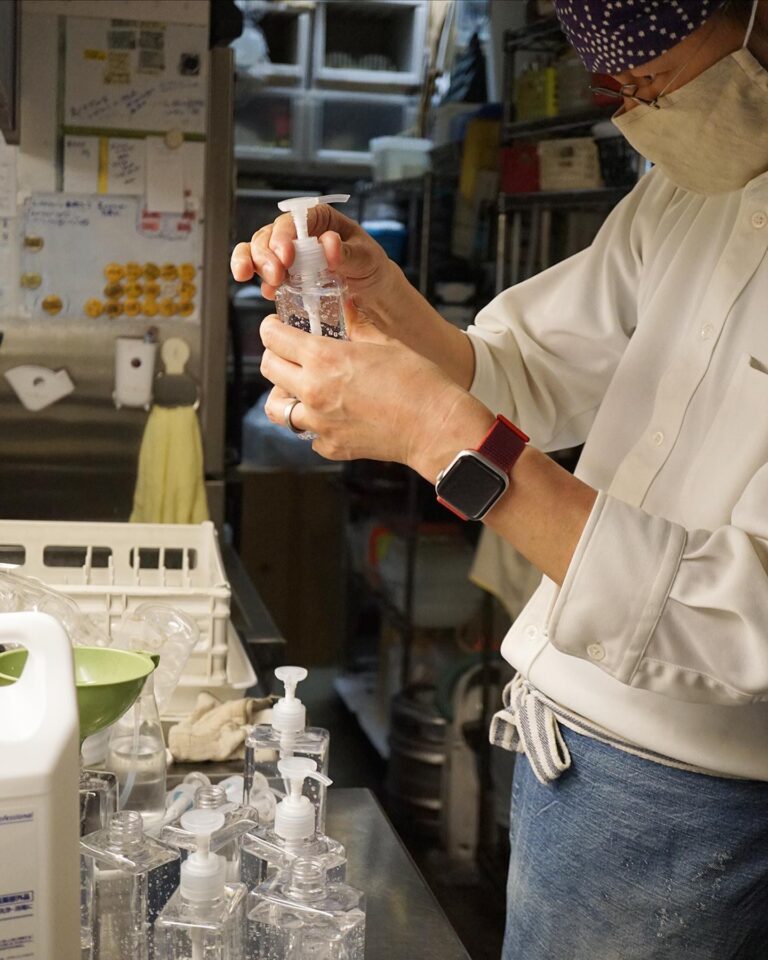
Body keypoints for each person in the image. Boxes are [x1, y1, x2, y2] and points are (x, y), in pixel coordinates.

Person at [231, 0, 768, 955]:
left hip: (700, 798)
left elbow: (745, 622)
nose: (635, 107)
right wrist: (387, 302)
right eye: (620, 86)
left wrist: (444, 439)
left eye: (653, 75)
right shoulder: (696, 193)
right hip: (566, 738)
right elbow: (530, 369)